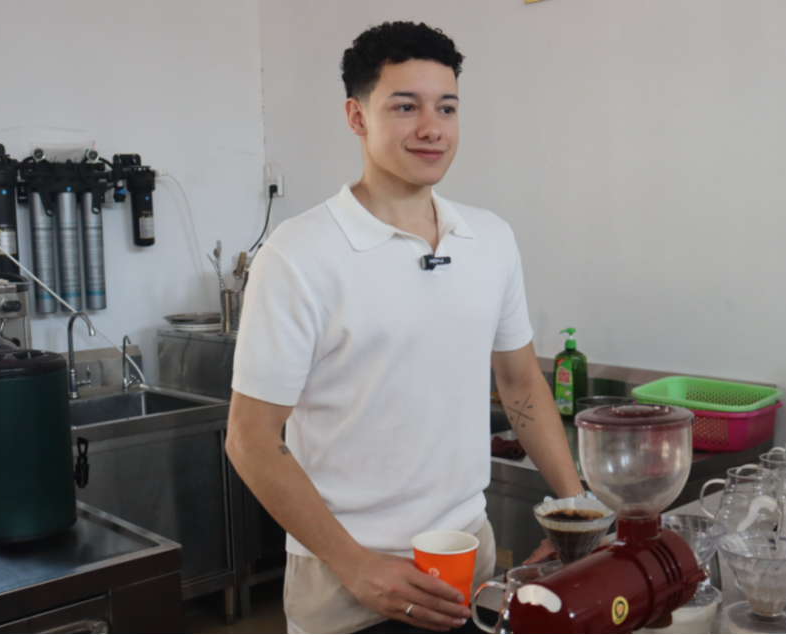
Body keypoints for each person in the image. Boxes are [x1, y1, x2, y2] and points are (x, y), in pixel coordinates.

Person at [226, 21, 583, 635]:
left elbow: (521, 382)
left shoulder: (490, 239)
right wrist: (355, 565)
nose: (431, 127)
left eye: (446, 107)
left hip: (468, 558)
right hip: (345, 576)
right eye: (405, 106)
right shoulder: (297, 254)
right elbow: (250, 438)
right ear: (357, 117)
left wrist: (575, 514)